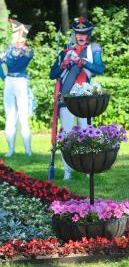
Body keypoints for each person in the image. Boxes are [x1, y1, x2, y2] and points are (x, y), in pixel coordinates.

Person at [49, 17, 104, 180]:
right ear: (74, 33)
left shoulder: (93, 49)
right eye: (78, 33)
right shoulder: (65, 51)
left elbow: (100, 69)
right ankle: (67, 172)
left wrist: (83, 63)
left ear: (89, 33)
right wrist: (63, 65)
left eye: (84, 33)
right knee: (67, 134)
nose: (81, 36)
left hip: (84, 96)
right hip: (67, 96)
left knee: (86, 132)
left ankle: (89, 169)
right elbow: (52, 74)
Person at [0, 19, 34, 157]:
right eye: (15, 33)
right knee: (10, 117)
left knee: (23, 117)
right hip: (10, 81)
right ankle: (11, 149)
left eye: (19, 33)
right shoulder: (8, 50)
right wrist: (4, 77)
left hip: (20, 81)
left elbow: (20, 61)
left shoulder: (27, 51)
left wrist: (6, 56)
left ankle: (28, 149)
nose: (16, 36)